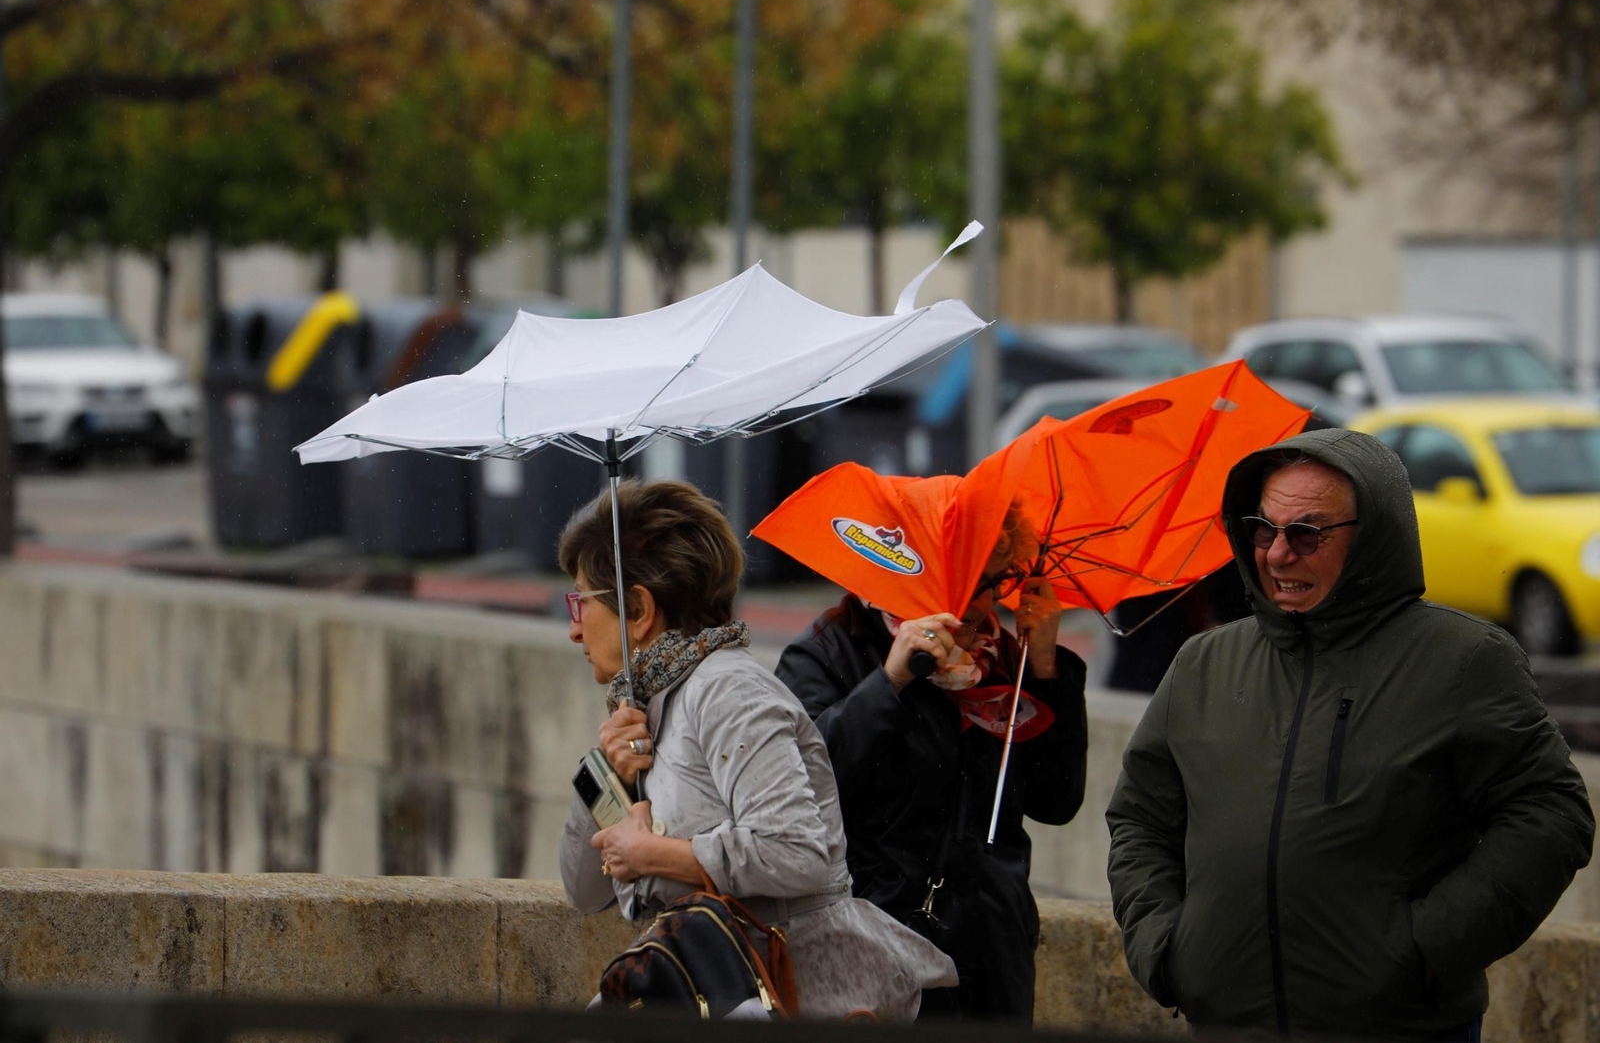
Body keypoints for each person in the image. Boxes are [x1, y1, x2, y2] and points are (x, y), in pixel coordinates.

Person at [1106, 429, 1595, 1040]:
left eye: (1307, 533)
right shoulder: (1203, 664)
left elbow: (1550, 816)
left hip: (1402, 1027)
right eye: (1264, 528)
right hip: (1229, 1023)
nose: (1279, 554)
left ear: (1371, 539)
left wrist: (1424, 950)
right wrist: (1165, 947)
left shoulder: (1464, 660)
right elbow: (1140, 818)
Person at [558, 479, 957, 1020]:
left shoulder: (727, 690)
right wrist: (605, 771)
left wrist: (660, 854)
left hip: (797, 998)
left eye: (581, 603)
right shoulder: (646, 706)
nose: (574, 631)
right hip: (718, 988)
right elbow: (584, 893)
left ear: (639, 609)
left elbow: (798, 852)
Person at [775, 503, 1089, 1022]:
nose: (973, 607)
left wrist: (1047, 666)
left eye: (991, 584)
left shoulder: (1010, 659)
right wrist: (891, 681)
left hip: (990, 949)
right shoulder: (837, 647)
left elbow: (1056, 800)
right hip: (873, 941)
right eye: (957, 587)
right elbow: (801, 785)